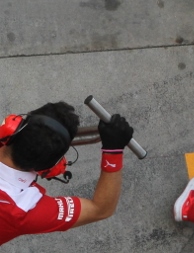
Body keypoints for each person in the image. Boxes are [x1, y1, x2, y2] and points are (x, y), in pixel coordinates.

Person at [0, 102, 135, 244]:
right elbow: (100, 209)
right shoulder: (23, 210)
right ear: (50, 167)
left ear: (12, 127)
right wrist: (113, 150)